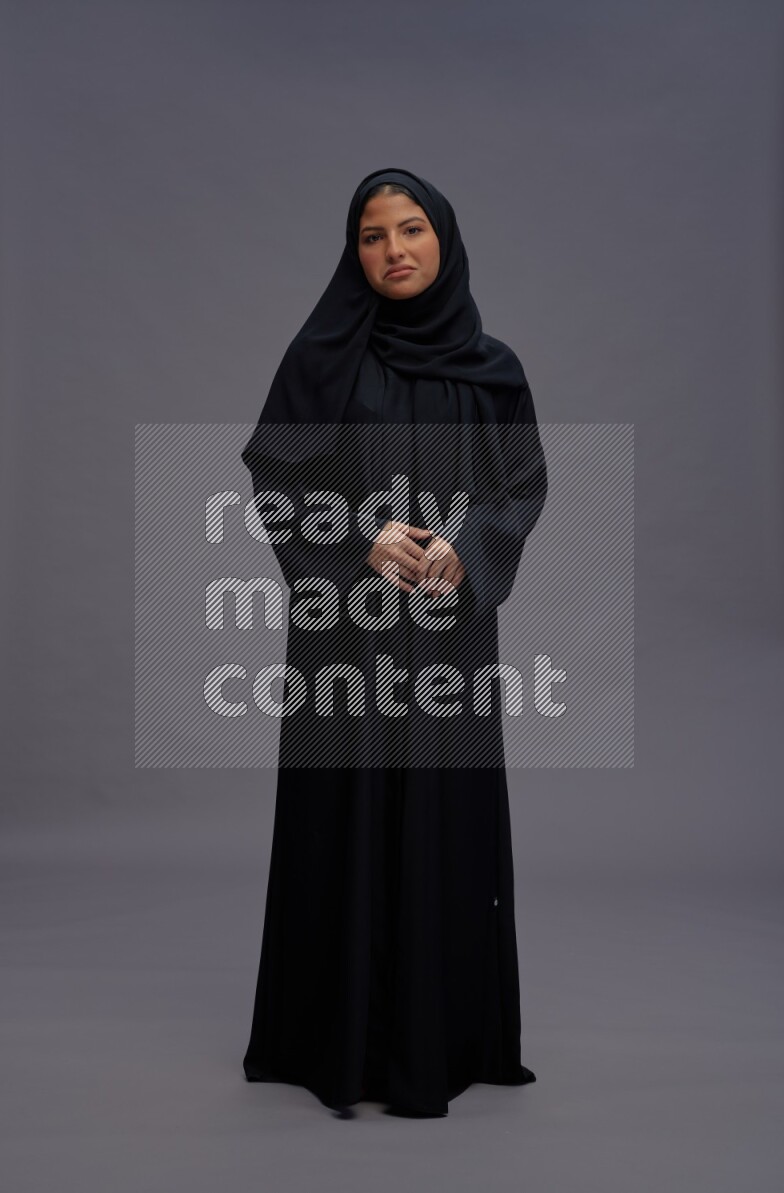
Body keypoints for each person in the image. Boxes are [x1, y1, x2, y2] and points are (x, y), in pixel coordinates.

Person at [239, 167, 548, 1118]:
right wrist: (355, 535)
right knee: (346, 821)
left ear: (443, 240)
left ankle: (439, 1038)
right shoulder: (322, 358)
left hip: (450, 641)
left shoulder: (492, 366)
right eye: (373, 237)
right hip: (347, 644)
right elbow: (276, 479)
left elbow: (522, 485)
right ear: (354, 251)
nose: (395, 250)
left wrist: (469, 544)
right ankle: (334, 1039)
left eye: (411, 230)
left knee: (442, 826)